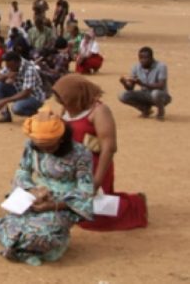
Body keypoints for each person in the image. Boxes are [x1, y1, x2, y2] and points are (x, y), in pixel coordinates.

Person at [0, 111, 93, 266]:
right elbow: (22, 171)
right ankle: (23, 250)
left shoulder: (81, 153)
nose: (45, 150)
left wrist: (53, 205)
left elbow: (85, 190)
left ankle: (32, 248)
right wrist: (31, 191)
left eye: (49, 146)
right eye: (40, 147)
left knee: (40, 235)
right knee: (6, 226)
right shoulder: (31, 147)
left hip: (63, 203)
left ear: (61, 139)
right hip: (34, 198)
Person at [53, 75, 148, 231]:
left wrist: (96, 182)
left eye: (62, 98)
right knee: (68, 210)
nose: (60, 102)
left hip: (94, 167)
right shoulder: (69, 107)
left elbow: (109, 148)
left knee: (92, 220)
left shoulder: (99, 111)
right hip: (71, 167)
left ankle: (134, 204)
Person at [0, 51, 47, 123]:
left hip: (34, 97)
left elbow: (26, 93)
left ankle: (37, 114)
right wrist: (6, 76)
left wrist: (5, 100)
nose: (8, 68)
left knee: (16, 108)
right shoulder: (10, 65)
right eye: (7, 66)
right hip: (19, 92)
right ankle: (5, 115)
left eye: (10, 66)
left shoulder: (29, 69)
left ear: (17, 62)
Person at [118, 46, 170, 120]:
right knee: (122, 95)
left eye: (145, 58)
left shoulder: (161, 66)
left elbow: (161, 85)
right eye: (140, 58)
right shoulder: (135, 67)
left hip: (161, 96)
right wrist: (124, 83)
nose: (142, 60)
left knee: (155, 93)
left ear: (152, 58)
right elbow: (130, 88)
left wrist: (142, 84)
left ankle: (160, 112)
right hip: (145, 94)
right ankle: (145, 110)